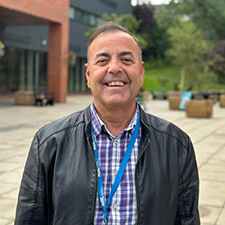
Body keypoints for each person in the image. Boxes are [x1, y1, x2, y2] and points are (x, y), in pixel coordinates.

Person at [15, 21, 200, 225]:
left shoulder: (176, 145)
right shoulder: (49, 143)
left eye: (126, 60)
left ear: (141, 72)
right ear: (88, 74)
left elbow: (187, 219)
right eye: (102, 61)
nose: (114, 68)